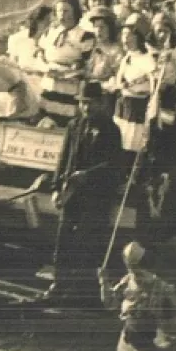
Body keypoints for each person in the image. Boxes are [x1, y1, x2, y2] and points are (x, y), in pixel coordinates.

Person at [50, 81, 124, 306]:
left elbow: (114, 165)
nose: (86, 107)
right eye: (82, 103)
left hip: (96, 195)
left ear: (100, 103)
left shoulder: (111, 129)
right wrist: (56, 188)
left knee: (87, 241)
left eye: (90, 103)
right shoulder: (74, 126)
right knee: (63, 238)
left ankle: (84, 291)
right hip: (71, 192)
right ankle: (59, 283)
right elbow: (63, 159)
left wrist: (89, 175)